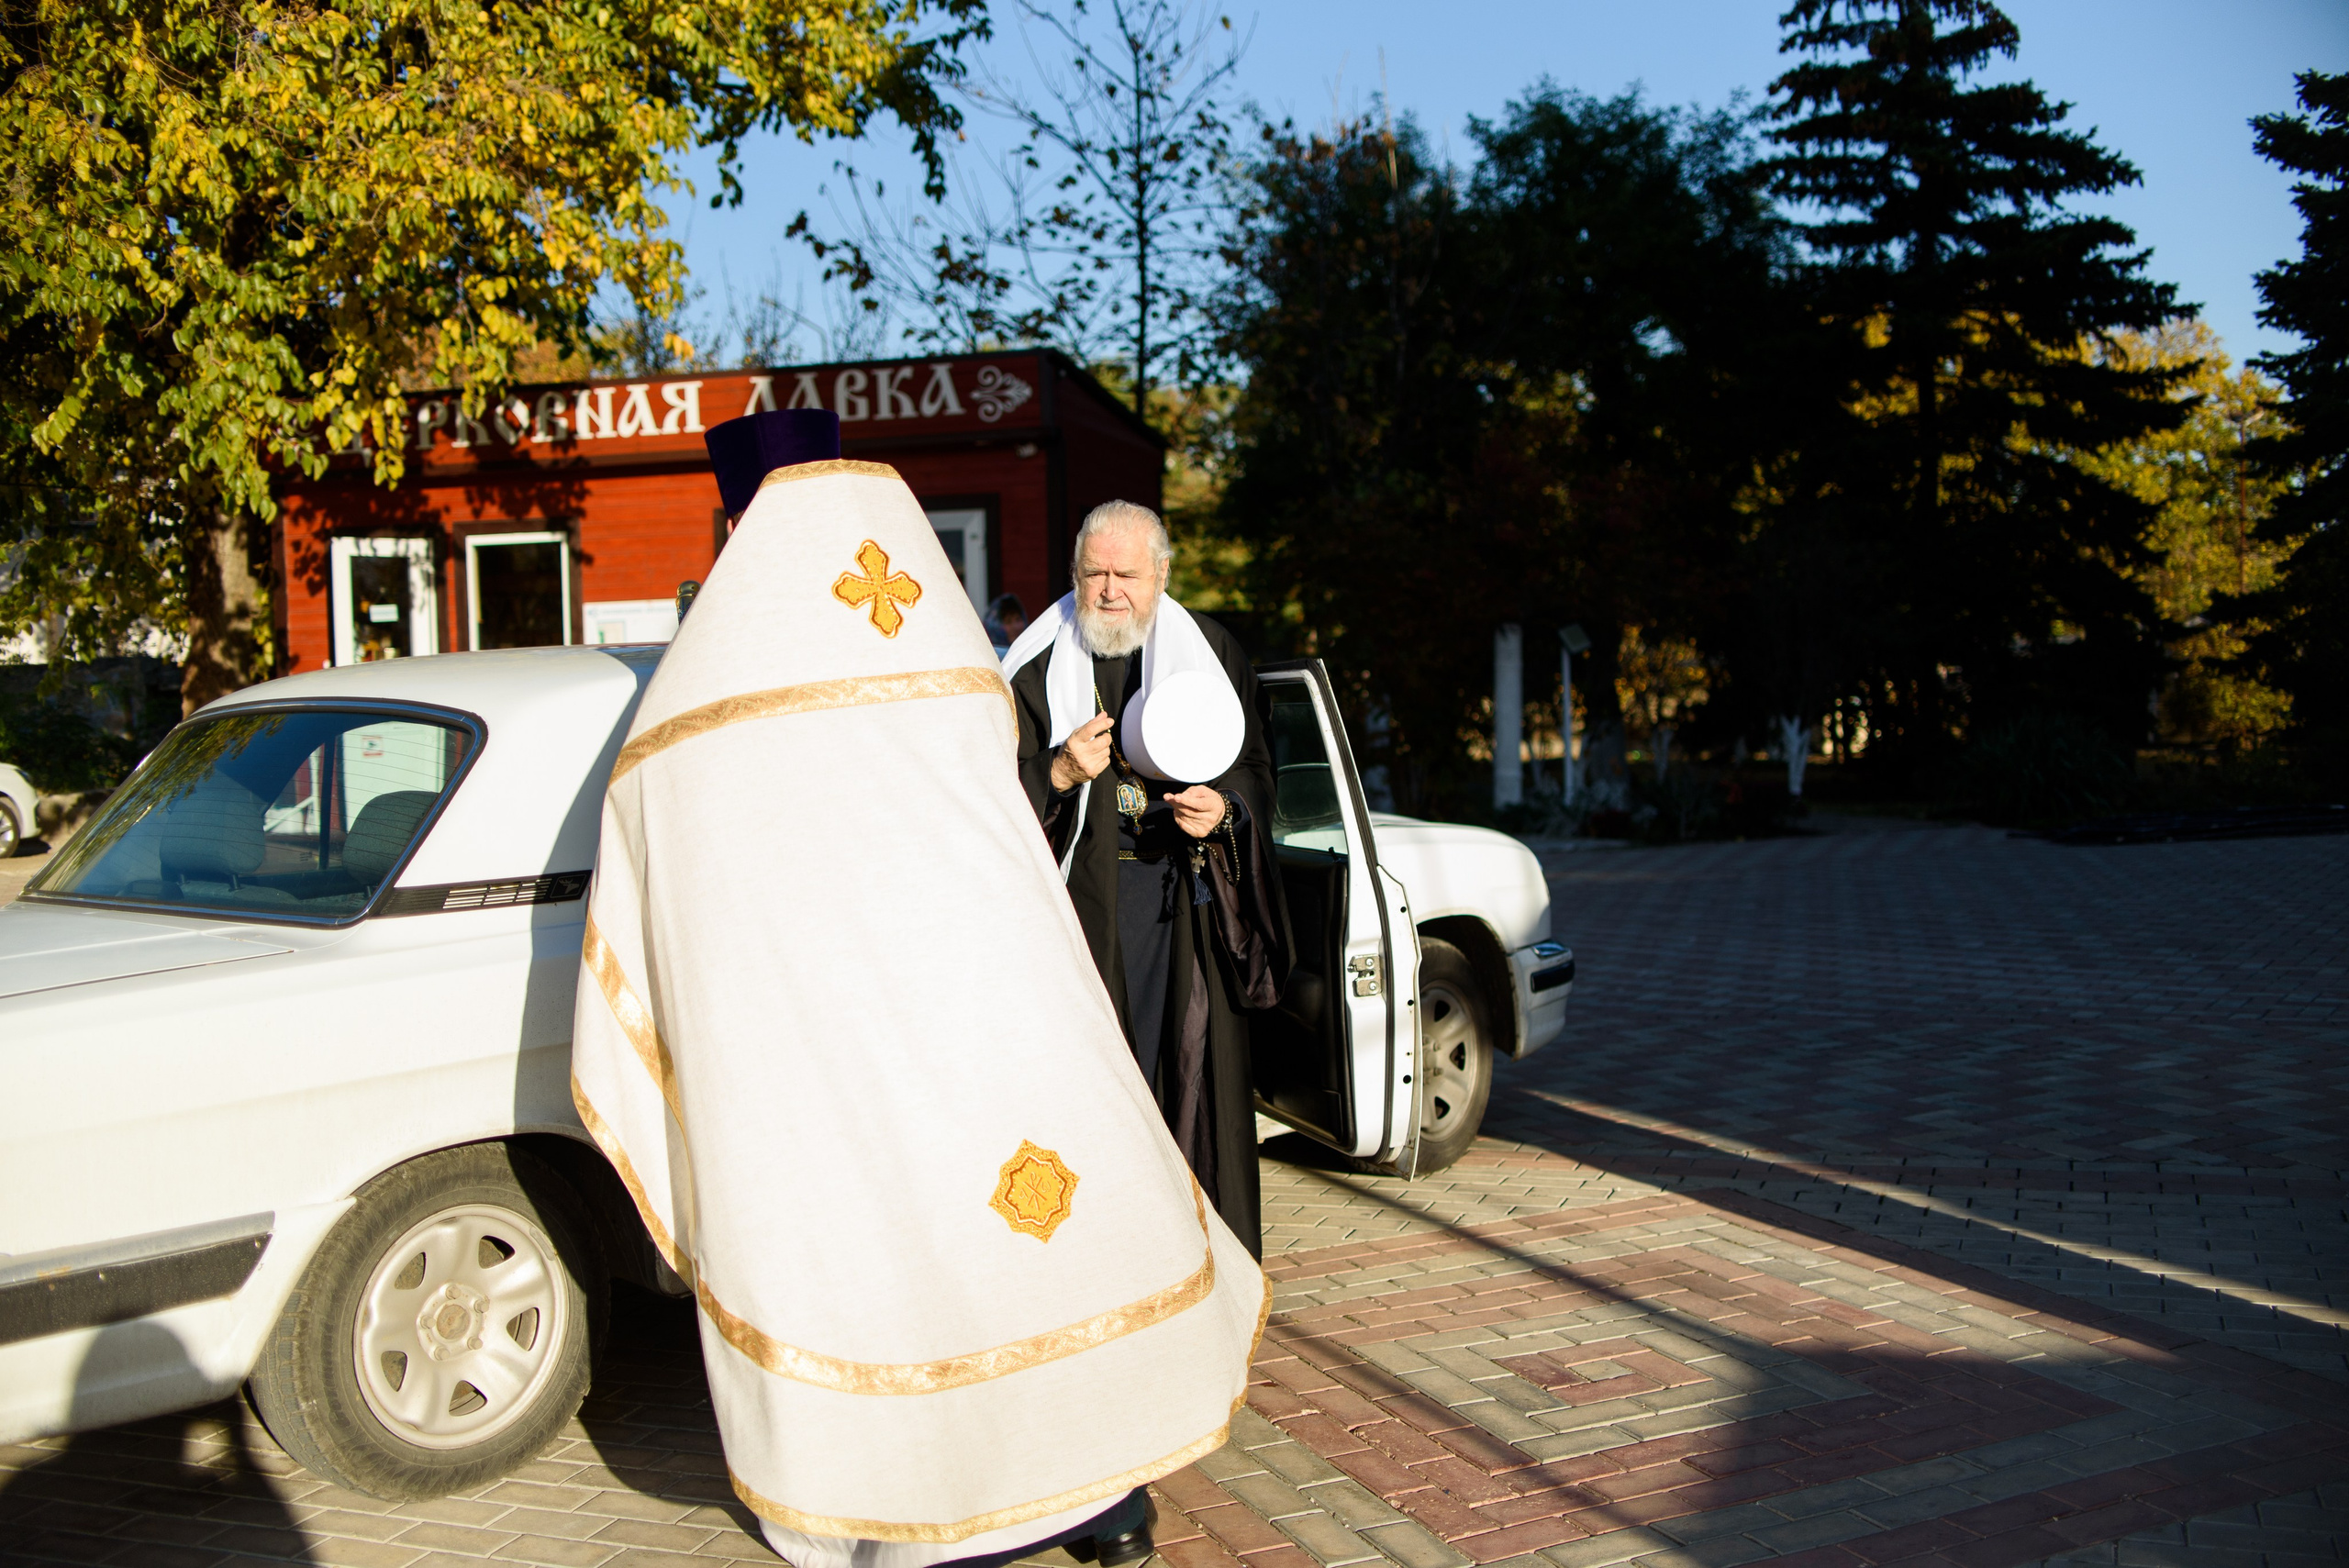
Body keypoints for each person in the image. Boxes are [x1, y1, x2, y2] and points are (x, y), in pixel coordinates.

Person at [574, 413, 1267, 1568]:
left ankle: (928, 1512)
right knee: (1042, 1234)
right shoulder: (943, 637)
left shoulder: (715, 674)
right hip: (998, 998)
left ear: (740, 518)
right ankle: (1101, 1495)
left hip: (848, 1027)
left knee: (900, 1255)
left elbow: (667, 825)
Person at [1002, 503, 1288, 1259]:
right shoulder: (1034, 667)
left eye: (1126, 574)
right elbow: (988, 798)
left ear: (1161, 573)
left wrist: (1224, 810)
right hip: (1080, 921)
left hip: (1184, 912)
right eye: (1093, 572)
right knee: (1089, 1100)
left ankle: (1199, 1267)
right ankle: (1099, 1274)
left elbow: (1259, 772)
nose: (1108, 591)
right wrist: (1059, 770)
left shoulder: (1212, 654)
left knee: (1186, 1089)